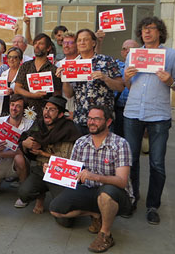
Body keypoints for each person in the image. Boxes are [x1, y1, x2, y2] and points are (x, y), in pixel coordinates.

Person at [123, 17, 175, 225]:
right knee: (131, 160)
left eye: (151, 29)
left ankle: (153, 206)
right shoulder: (134, 54)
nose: (146, 32)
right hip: (133, 112)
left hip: (159, 115)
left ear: (160, 32)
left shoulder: (172, 55)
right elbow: (130, 85)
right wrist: (127, 77)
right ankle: (132, 198)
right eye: (143, 29)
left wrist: (170, 81)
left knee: (157, 162)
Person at [49, 106, 133, 253]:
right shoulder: (81, 142)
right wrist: (52, 170)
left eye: (96, 119)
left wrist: (96, 177)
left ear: (108, 122)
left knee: (105, 195)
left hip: (115, 193)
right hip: (88, 189)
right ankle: (95, 214)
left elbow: (122, 181)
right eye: (89, 118)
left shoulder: (120, 144)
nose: (91, 122)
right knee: (55, 209)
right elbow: (72, 175)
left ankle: (105, 234)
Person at [17, 96, 81, 212]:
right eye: (46, 108)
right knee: (24, 193)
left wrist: (43, 153)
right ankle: (40, 195)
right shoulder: (39, 124)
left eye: (52, 110)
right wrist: (25, 144)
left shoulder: (68, 129)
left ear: (61, 114)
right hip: (40, 169)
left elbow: (67, 159)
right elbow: (23, 140)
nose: (47, 112)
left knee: (65, 216)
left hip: (60, 172)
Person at [58, 29, 123, 135]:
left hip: (102, 120)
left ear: (93, 43)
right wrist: (64, 79)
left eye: (85, 40)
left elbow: (120, 86)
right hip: (81, 118)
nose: (82, 43)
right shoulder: (72, 65)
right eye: (79, 40)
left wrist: (105, 78)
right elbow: (69, 94)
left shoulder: (106, 61)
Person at [0, 94, 34, 207]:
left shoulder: (29, 124)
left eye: (18, 106)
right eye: (12, 105)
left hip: (16, 162)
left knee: (19, 158)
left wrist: (0, 152)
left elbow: (21, 152)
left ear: (24, 110)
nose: (14, 108)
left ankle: (24, 194)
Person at [14, 33, 62, 117]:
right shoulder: (26, 66)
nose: (37, 46)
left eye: (41, 44)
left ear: (48, 48)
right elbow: (17, 88)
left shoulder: (53, 70)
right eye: (35, 43)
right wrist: (33, 95)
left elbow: (57, 94)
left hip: (44, 115)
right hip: (24, 112)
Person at [113, 39, 139, 138]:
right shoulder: (115, 65)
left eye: (131, 49)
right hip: (119, 109)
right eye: (125, 49)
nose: (127, 51)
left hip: (136, 110)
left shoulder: (144, 68)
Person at [55, 32, 79, 117]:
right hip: (64, 110)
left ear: (77, 45)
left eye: (70, 43)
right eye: (64, 43)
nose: (66, 45)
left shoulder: (83, 62)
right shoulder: (58, 65)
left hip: (80, 110)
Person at [0, 47, 22, 117]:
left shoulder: (23, 74)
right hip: (2, 111)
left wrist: (14, 92)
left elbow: (25, 93)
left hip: (15, 112)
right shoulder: (3, 74)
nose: (11, 59)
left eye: (15, 57)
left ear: (20, 59)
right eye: (9, 57)